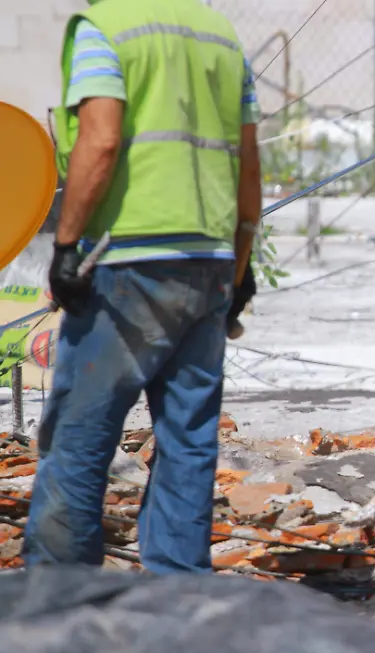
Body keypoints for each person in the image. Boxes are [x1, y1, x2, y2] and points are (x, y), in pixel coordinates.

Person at [22, 0, 261, 573]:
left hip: (128, 260)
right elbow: (248, 165)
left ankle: (59, 600)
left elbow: (100, 141)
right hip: (208, 260)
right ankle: (178, 605)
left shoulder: (106, 28)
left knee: (80, 435)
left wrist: (65, 246)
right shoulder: (220, 35)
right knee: (188, 439)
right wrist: (242, 262)